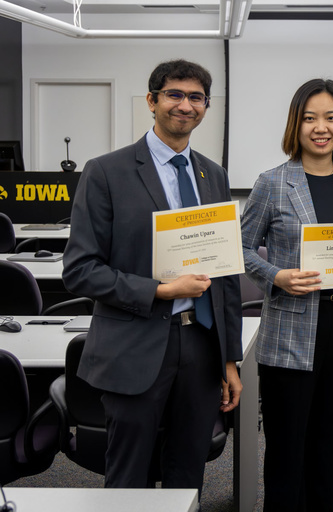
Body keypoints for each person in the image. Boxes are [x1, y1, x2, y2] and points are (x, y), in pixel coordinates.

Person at [63, 59, 243, 493]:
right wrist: (161, 290)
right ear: (152, 100)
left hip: (201, 347)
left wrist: (230, 359)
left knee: (187, 472)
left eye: (196, 97)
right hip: (136, 345)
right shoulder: (106, 171)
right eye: (174, 94)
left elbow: (227, 276)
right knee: (129, 476)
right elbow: (80, 269)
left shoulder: (213, 175)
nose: (185, 105)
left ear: (206, 106)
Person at [240, 78, 333, 511]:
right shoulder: (272, 183)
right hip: (289, 336)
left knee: (325, 450)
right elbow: (238, 250)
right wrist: (276, 276)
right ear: (296, 125)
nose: (322, 127)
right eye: (310, 118)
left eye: (331, 118)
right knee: (286, 454)